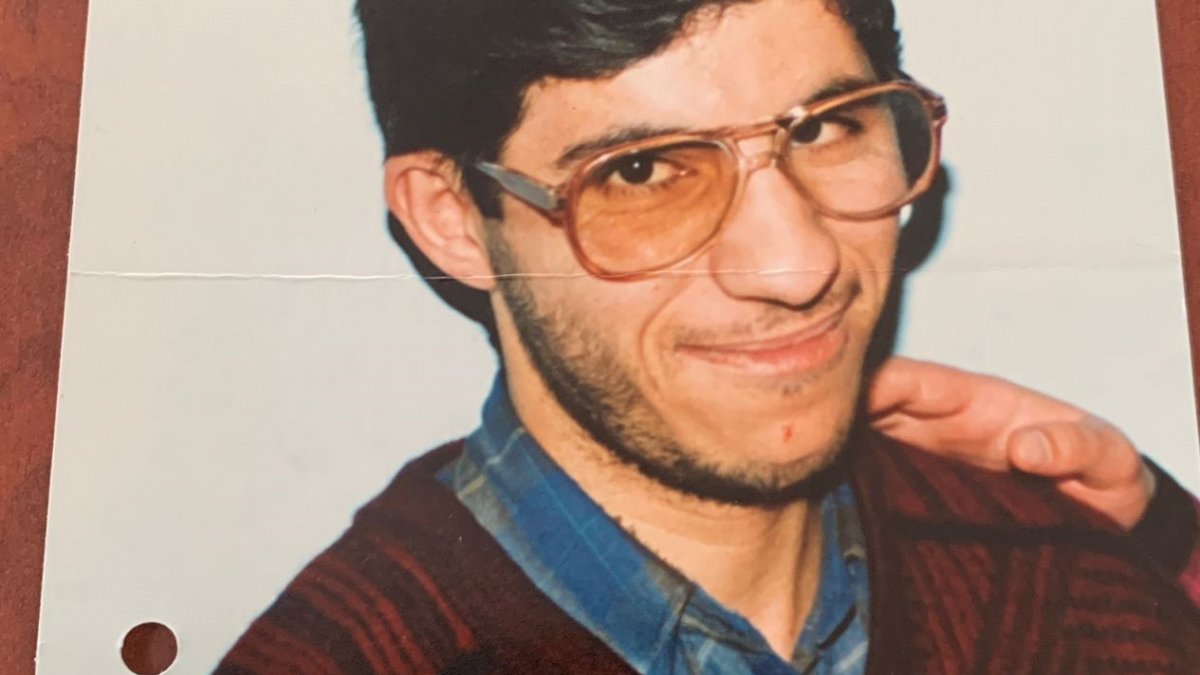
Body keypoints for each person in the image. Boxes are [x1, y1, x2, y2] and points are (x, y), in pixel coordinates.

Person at [217, 0, 1200, 672]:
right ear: (453, 218)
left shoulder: (1080, 589)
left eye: (827, 128)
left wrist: (1172, 553)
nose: (797, 266)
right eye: (642, 171)